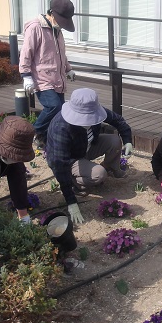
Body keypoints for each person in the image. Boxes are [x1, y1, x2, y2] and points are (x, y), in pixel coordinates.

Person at [46, 88, 133, 225]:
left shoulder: (93, 108)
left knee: (115, 141)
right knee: (99, 174)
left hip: (86, 146)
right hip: (69, 159)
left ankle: (109, 167)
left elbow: (118, 120)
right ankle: (77, 183)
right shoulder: (61, 127)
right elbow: (58, 164)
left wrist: (127, 140)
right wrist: (71, 201)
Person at [19, 0, 77, 148]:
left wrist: (68, 68)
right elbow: (26, 53)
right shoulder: (35, 28)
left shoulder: (57, 30)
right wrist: (26, 76)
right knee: (54, 107)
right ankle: (34, 132)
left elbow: (60, 53)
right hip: (41, 78)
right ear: (52, 14)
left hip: (58, 78)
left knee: (60, 113)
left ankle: (45, 140)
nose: (63, 25)